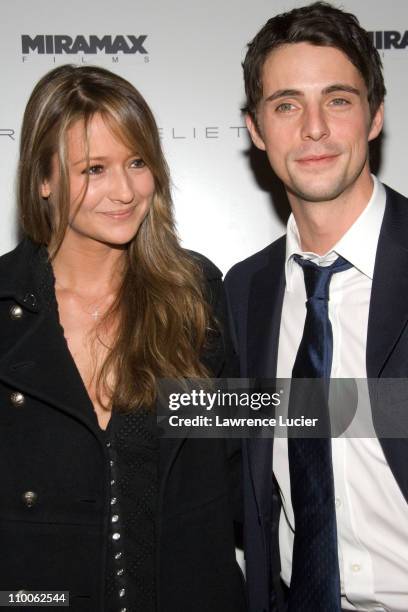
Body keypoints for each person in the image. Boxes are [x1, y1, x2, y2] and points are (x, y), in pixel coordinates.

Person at [0, 64, 246, 612]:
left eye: (137, 163)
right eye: (94, 168)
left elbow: (246, 458)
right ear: (43, 179)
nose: (125, 190)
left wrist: (375, 411)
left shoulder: (195, 295)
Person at [225, 3, 408, 612]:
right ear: (255, 130)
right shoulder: (243, 291)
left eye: (337, 100)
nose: (313, 129)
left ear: (375, 116)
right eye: (285, 105)